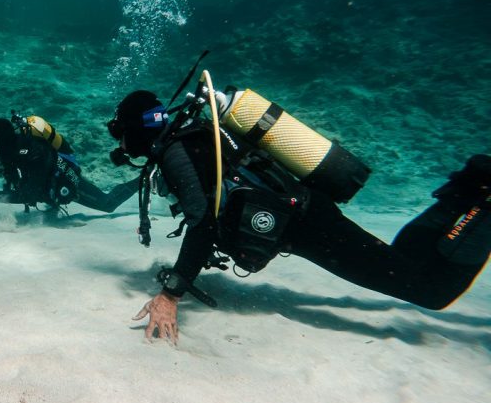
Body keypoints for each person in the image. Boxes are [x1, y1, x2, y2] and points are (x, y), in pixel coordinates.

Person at [108, 88, 491, 345]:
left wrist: (170, 294)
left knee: (431, 290)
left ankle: (482, 200)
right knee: (403, 260)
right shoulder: (197, 133)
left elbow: (203, 223)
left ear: (137, 131)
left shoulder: (177, 153)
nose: (122, 145)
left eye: (121, 134)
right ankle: (470, 188)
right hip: (304, 213)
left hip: (306, 224)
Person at [0, 113, 140, 215]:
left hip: (61, 181)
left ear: (2, 141)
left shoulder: (34, 153)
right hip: (40, 189)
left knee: (108, 205)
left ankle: (144, 178)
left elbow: (32, 194)